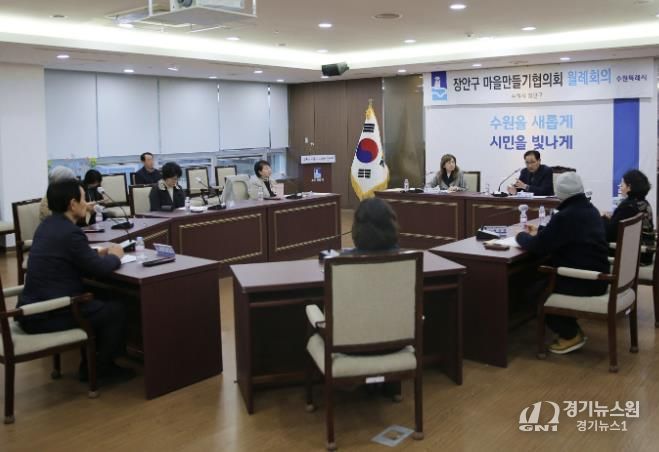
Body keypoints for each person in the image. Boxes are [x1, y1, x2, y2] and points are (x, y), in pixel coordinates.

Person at [18, 179, 134, 382]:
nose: (86, 203)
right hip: (49, 313)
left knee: (101, 297)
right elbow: (99, 269)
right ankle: (100, 371)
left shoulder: (46, 226)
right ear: (72, 204)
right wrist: (116, 256)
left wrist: (95, 254)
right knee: (117, 310)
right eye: (83, 199)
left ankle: (91, 363)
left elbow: (69, 256)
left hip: (32, 310)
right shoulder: (70, 232)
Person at [515, 172, 609, 354]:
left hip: (583, 280)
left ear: (560, 193)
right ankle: (569, 327)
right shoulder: (589, 209)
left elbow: (538, 246)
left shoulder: (565, 216)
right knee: (538, 279)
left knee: (535, 291)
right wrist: (542, 230)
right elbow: (567, 234)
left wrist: (521, 236)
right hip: (598, 276)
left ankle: (570, 334)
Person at [602, 169, 656, 265]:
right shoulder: (644, 203)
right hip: (644, 253)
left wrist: (602, 218)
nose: (621, 187)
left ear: (629, 187)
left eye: (622, 184)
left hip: (631, 255)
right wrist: (612, 218)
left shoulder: (628, 206)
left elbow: (610, 234)